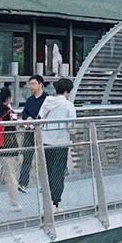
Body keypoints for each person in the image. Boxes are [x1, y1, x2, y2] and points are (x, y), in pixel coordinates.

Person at [39, 77, 77, 207]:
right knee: (58, 172)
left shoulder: (47, 101)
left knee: (48, 170)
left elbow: (40, 117)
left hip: (46, 140)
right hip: (61, 141)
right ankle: (55, 201)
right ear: (67, 91)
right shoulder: (68, 105)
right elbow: (72, 125)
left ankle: (47, 198)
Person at [0, 87, 22, 204]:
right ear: (8, 98)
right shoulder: (8, 111)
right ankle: (14, 201)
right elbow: (15, 124)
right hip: (8, 146)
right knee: (11, 175)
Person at [16, 73, 47, 191]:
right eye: (30, 84)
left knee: (44, 157)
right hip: (29, 131)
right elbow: (25, 114)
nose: (31, 86)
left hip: (42, 131)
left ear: (40, 84)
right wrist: (27, 120)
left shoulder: (47, 99)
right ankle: (23, 183)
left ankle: (46, 183)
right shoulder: (29, 100)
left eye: (34, 84)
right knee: (27, 156)